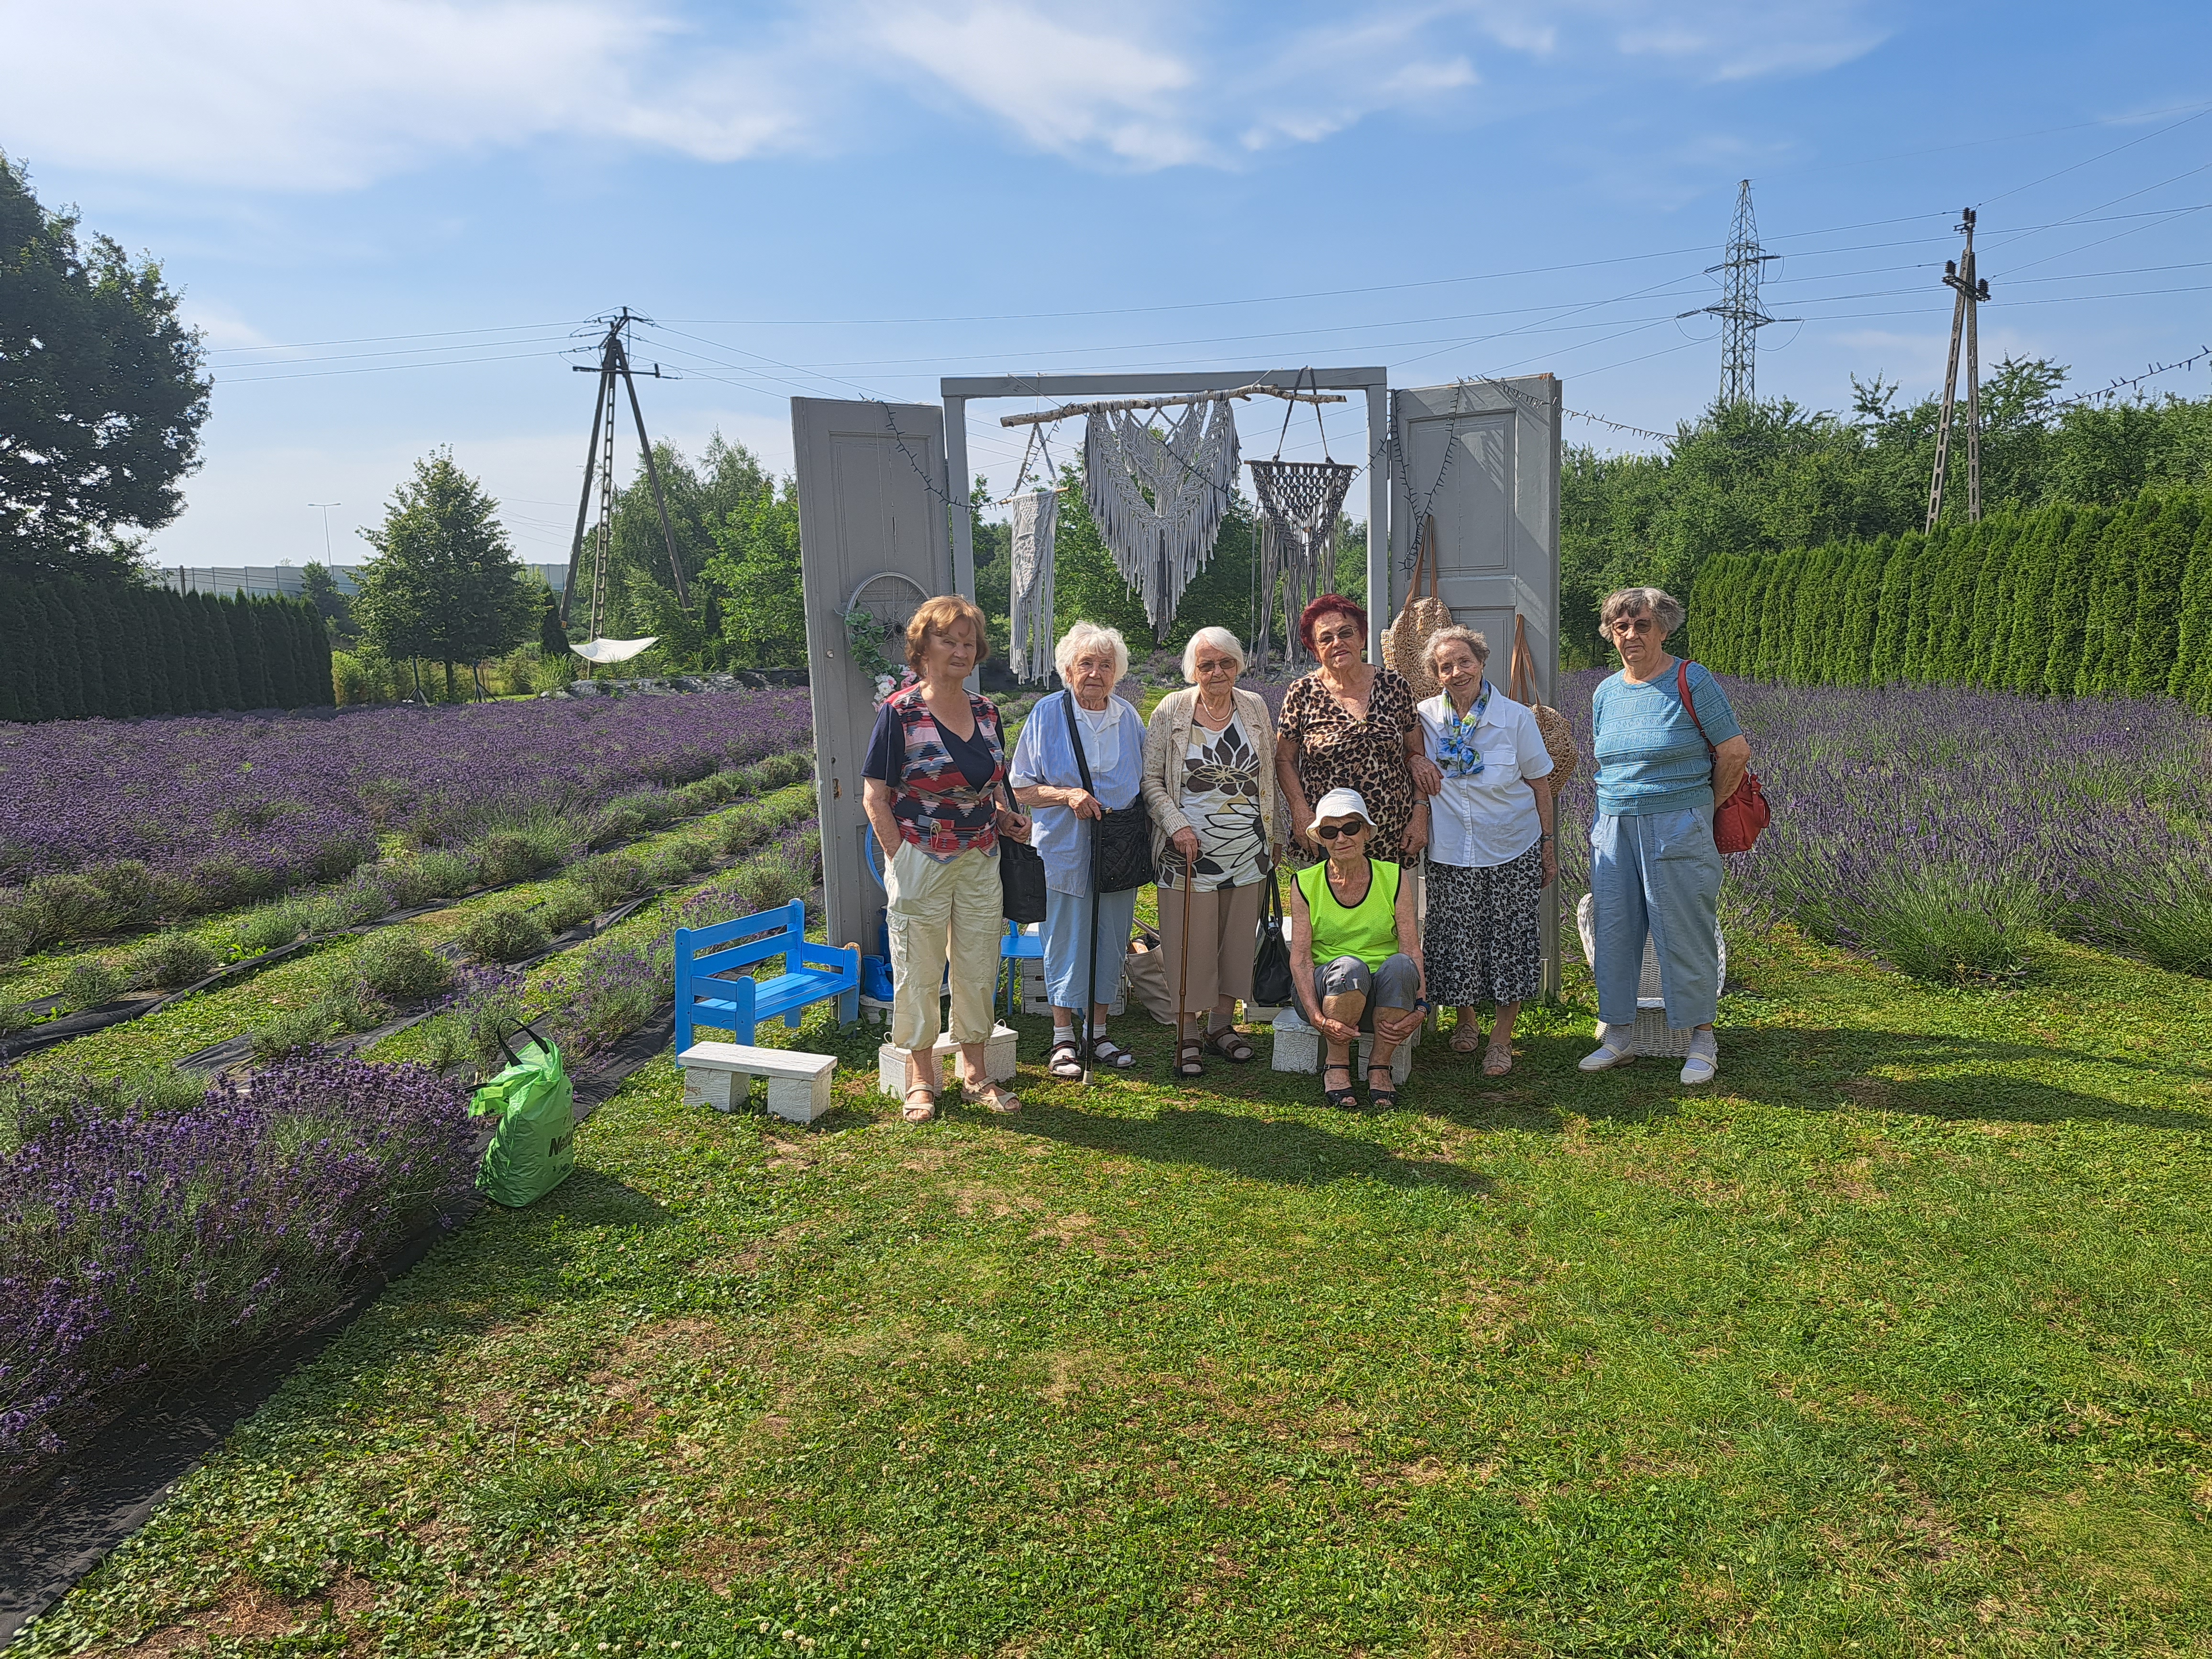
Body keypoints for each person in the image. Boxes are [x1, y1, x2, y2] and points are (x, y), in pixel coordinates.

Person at [861, 594, 1031, 1122]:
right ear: (923, 648)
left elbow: (995, 785)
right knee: (917, 966)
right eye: (947, 640)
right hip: (920, 858)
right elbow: (875, 796)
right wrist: (900, 859)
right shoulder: (900, 713)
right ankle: (920, 1078)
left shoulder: (987, 711)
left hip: (981, 857)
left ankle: (975, 1075)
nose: (960, 650)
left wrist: (1006, 817)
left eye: (967, 642)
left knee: (979, 963)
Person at [1580, 586, 1750, 1086]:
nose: (1631, 635)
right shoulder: (1605, 692)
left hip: (1677, 823)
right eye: (1621, 627)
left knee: (1684, 929)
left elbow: (1735, 752)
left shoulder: (1690, 680)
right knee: (1614, 931)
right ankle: (1619, 1036)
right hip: (1613, 826)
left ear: (1663, 628)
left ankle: (1701, 1039)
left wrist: (1703, 806)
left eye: (1642, 625)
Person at [1141, 625, 1287, 1079]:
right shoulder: (1172, 709)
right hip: (1187, 853)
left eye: (1226, 663)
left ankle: (1222, 1027)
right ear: (1193, 671)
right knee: (1189, 944)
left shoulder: (1256, 706)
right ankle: (1187, 1031)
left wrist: (1276, 834)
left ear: (1239, 666)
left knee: (1236, 942)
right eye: (1207, 665)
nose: (1217, 671)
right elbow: (1150, 781)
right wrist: (1177, 824)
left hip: (1248, 849)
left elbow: (1269, 779)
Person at [1416, 626, 1557, 1077]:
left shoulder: (1516, 718)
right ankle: (1466, 1020)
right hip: (1450, 849)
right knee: (1455, 939)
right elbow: (1408, 764)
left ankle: (1501, 1038)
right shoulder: (1423, 719)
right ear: (1435, 675)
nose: (1456, 672)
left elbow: (1541, 786)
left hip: (1512, 847)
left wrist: (1549, 849)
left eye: (1464, 662)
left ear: (1481, 662)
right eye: (1445, 666)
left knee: (1510, 940)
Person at [1010, 621, 1147, 1080]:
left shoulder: (1128, 717)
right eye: (1085, 664)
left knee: (1111, 937)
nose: (1095, 673)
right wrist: (1067, 796)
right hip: (1064, 851)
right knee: (1066, 940)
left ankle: (1101, 1031)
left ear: (1117, 673)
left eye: (1105, 665)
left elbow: (1147, 781)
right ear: (1068, 670)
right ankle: (1063, 1036)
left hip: (1118, 850)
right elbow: (1022, 788)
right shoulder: (1047, 714)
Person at [1275, 595, 1440, 865]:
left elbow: (1416, 754)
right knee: (1326, 907)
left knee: (1394, 907)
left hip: (1392, 835)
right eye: (1325, 638)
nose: (1337, 643)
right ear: (1316, 650)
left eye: (1345, 632)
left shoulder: (1394, 685)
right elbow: (1284, 759)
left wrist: (1420, 813)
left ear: (1362, 638)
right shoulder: (1301, 692)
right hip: (1329, 836)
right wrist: (1300, 812)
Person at [1287, 788, 1425, 1109]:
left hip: (1383, 998)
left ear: (1366, 832)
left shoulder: (1393, 877)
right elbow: (1302, 960)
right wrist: (1317, 1017)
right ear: (1321, 838)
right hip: (1329, 994)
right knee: (1350, 967)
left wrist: (1421, 1006)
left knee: (1402, 965)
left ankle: (1379, 1065)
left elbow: (1412, 948)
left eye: (1350, 828)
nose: (1341, 838)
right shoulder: (1305, 882)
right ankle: (1337, 1064)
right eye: (1330, 831)